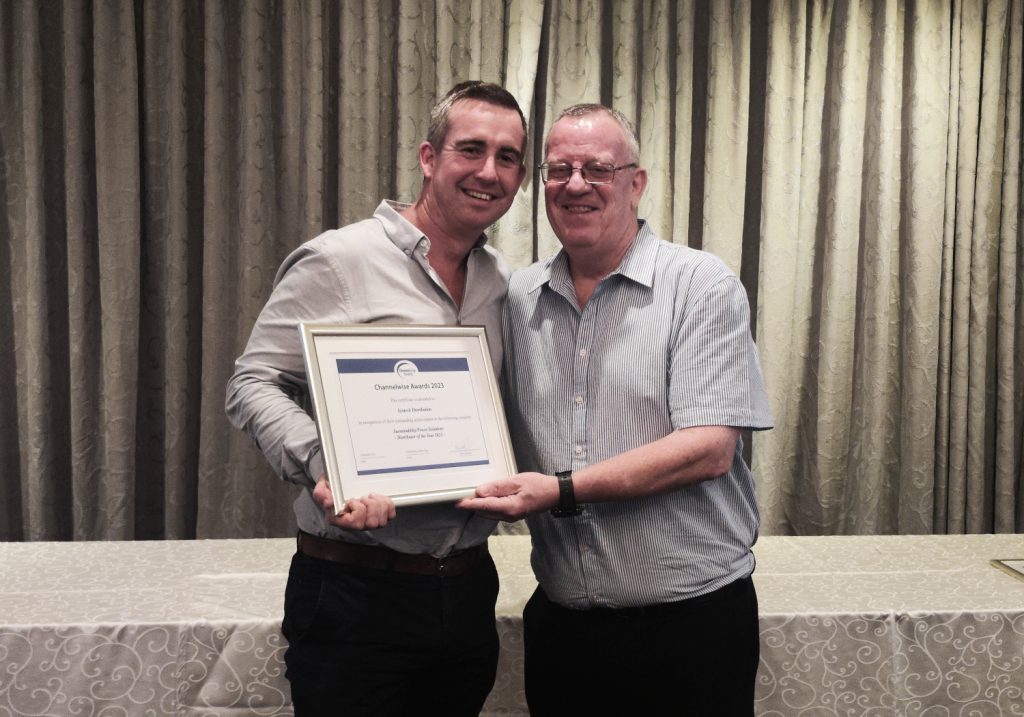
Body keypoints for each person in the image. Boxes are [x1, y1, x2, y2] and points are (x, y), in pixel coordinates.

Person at [458, 104, 773, 716]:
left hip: (691, 630)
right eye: (559, 169)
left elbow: (709, 449)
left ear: (636, 182)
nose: (575, 184)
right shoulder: (516, 297)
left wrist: (559, 490)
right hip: (564, 629)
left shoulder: (700, 285)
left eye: (597, 169)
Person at [225, 81, 528, 716]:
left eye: (507, 157)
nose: (488, 172)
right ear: (429, 157)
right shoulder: (339, 260)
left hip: (466, 589)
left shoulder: (499, 282)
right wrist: (325, 464)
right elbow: (252, 381)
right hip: (354, 593)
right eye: (471, 149)